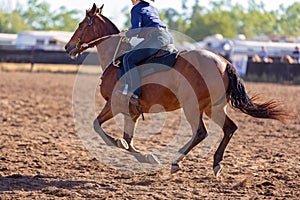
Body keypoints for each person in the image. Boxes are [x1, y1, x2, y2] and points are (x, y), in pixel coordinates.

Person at [118, 0, 173, 105]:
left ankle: (134, 93)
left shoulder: (136, 9)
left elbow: (136, 30)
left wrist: (125, 35)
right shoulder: (150, 7)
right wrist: (129, 31)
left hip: (156, 38)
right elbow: (144, 25)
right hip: (167, 36)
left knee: (128, 58)